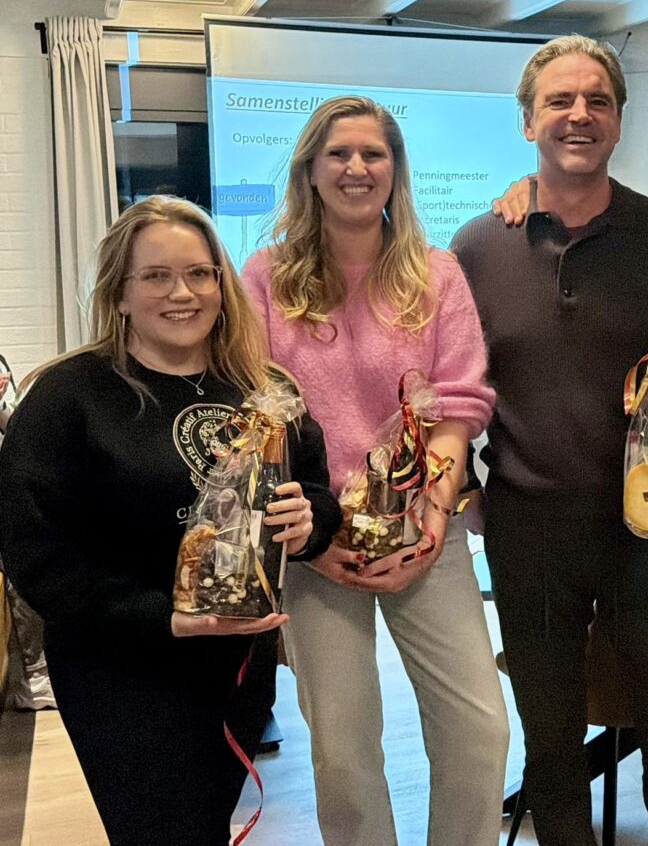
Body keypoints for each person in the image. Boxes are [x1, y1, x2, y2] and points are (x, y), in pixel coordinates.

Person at [0, 196, 341, 846]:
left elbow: (318, 493)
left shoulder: (263, 386)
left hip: (238, 669)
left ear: (221, 283)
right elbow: (32, 550)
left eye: (199, 273)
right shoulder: (69, 396)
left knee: (203, 827)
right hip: (120, 669)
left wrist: (309, 523)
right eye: (156, 276)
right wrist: (162, 617)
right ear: (120, 293)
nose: (181, 293)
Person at [453, 35, 648, 846]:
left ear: (618, 120)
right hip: (528, 527)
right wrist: (461, 485)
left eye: (598, 101)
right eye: (560, 101)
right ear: (527, 121)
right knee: (550, 740)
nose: (579, 115)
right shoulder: (477, 246)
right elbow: (450, 384)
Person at [242, 96, 508, 846]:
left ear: (395, 170)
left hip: (424, 529)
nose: (356, 167)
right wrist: (310, 544)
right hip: (315, 540)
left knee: (480, 727)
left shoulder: (437, 273)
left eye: (373, 153)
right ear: (310, 170)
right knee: (343, 749)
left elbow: (457, 406)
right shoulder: (266, 277)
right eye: (339, 153)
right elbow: (257, 418)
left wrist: (434, 518)